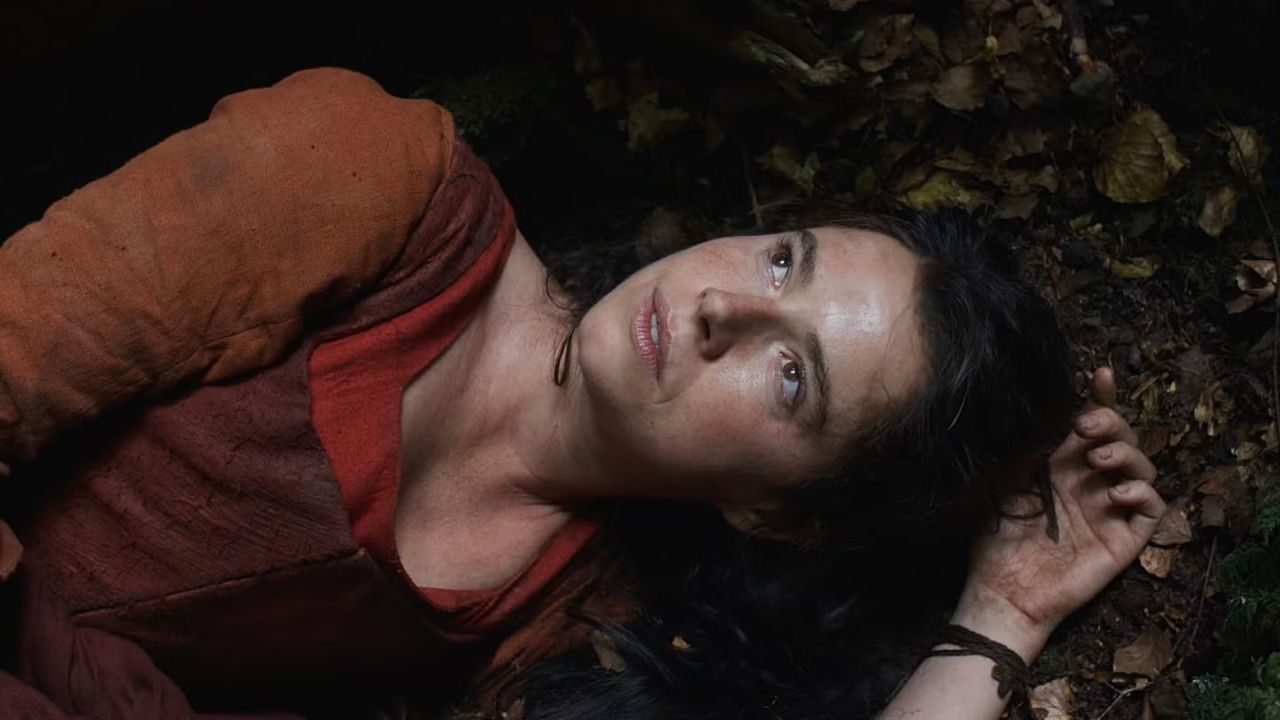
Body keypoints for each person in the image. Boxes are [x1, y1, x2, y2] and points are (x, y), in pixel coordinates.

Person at [0, 68, 1163, 720]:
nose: (722, 305)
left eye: (790, 374)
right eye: (782, 261)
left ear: (779, 517)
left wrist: (997, 617)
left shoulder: (576, 633)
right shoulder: (373, 179)